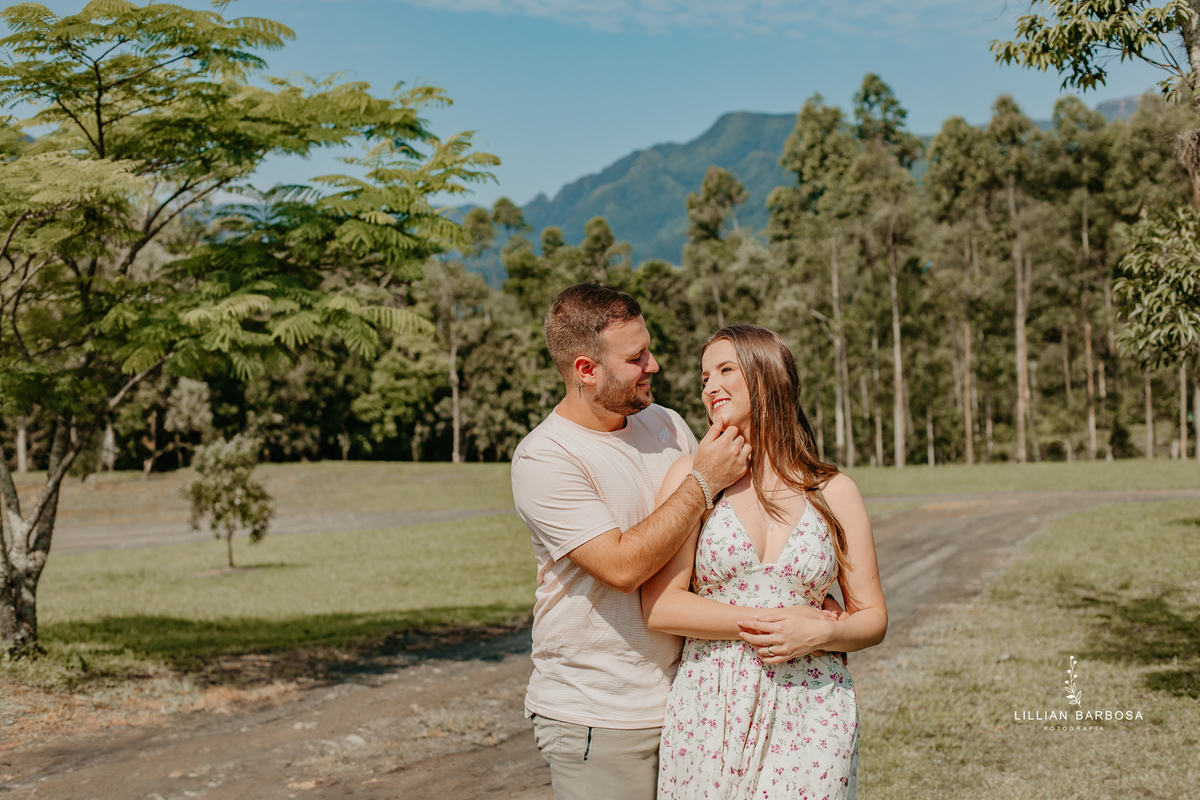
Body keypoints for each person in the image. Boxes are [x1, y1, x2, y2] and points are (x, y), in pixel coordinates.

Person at [510, 284, 753, 800]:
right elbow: (621, 567)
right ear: (585, 370)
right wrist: (703, 481)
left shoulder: (666, 425)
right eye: (636, 357)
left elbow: (726, 533)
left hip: (694, 698)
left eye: (649, 349)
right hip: (601, 713)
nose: (655, 365)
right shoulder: (545, 457)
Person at [642, 323, 888, 800]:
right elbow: (662, 608)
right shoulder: (691, 477)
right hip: (711, 702)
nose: (709, 386)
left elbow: (873, 617)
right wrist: (773, 624)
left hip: (813, 707)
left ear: (766, 375)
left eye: (724, 370)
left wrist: (826, 631)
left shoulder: (834, 491)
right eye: (704, 377)